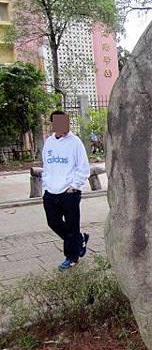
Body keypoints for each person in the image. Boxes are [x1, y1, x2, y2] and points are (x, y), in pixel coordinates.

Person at [42, 110, 90, 271]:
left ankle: (71, 258)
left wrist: (74, 186)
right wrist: (46, 183)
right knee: (53, 222)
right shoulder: (49, 142)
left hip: (69, 192)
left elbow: (83, 167)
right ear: (53, 124)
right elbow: (47, 165)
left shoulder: (75, 142)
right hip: (51, 191)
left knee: (71, 225)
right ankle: (79, 240)